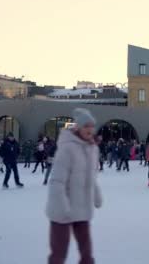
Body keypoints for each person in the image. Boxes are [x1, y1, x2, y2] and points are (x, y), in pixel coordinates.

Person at [46, 108, 102, 264]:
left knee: (87, 253)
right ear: (77, 127)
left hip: (82, 207)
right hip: (62, 210)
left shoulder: (93, 148)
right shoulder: (67, 149)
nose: (90, 129)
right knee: (58, 253)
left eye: (92, 126)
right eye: (86, 126)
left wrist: (96, 195)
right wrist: (64, 207)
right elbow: (57, 181)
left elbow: (91, 176)